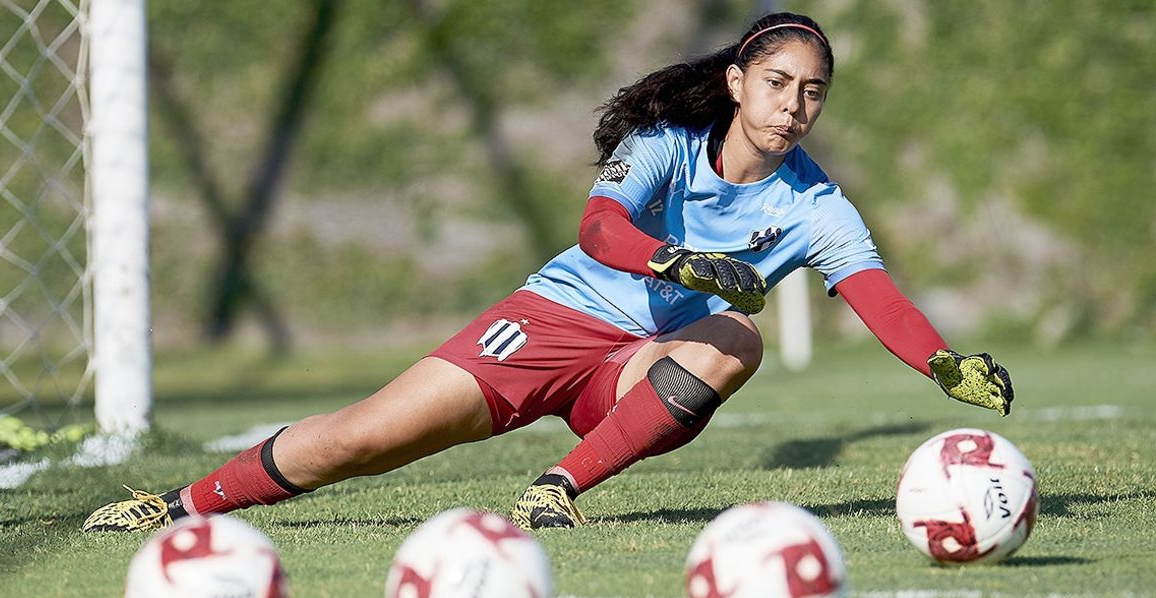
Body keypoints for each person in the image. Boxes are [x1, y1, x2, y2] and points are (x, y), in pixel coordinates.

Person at [83, 11, 1013, 534]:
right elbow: (599, 226)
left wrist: (938, 363)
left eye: (813, 91)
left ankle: (556, 487)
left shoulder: (817, 206)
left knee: (738, 336)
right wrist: (674, 258)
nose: (796, 105)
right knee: (358, 439)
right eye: (779, 83)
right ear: (737, 81)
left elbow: (876, 293)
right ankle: (176, 504)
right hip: (554, 319)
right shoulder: (666, 143)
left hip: (636, 373)